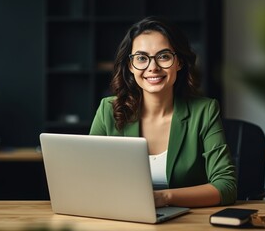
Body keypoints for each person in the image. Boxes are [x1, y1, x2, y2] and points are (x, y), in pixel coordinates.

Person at [89, 16, 236, 208]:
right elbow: (88, 177)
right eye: (141, 58)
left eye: (164, 56)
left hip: (186, 222)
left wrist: (164, 197)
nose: (153, 68)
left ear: (179, 62)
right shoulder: (108, 110)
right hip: (122, 219)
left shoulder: (205, 111)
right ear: (130, 66)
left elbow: (226, 186)